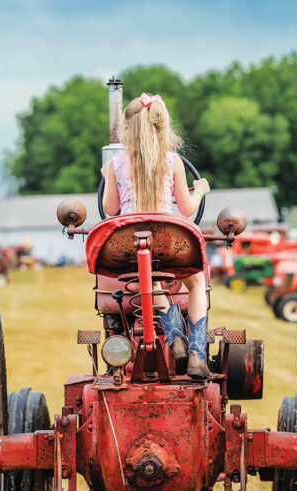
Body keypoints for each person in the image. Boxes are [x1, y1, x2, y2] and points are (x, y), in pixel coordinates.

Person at [101, 93, 211, 378]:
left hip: (129, 243)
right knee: (197, 284)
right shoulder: (173, 161)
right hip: (167, 240)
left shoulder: (115, 165)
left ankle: (175, 340)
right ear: (162, 127)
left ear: (127, 129)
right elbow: (186, 210)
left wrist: (106, 174)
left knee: (145, 284)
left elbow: (109, 209)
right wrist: (199, 190)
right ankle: (198, 354)